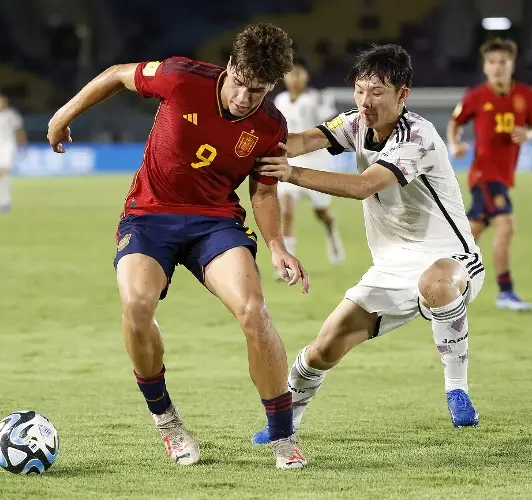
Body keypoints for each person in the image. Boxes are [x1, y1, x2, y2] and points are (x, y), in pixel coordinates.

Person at [47, 23, 309, 469]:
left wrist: (277, 246)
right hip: (150, 216)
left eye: (258, 90)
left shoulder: (270, 126)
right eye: (241, 84)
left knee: (253, 311)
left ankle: (282, 437)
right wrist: (62, 116)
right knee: (136, 305)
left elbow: (263, 192)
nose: (245, 98)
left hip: (215, 223)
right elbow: (114, 74)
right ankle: (167, 421)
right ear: (229, 67)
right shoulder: (181, 77)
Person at [251, 44, 485, 445]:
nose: (366, 101)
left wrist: (290, 173)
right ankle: (285, 423)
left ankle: (456, 389)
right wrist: (249, 143)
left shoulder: (419, 135)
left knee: (435, 283)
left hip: (451, 258)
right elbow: (306, 139)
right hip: (391, 268)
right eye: (360, 90)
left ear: (402, 95)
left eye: (377, 92)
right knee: (321, 349)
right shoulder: (356, 123)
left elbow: (362, 186)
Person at [447, 38, 532, 311]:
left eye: (503, 62)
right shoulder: (476, 97)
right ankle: (505, 292)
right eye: (492, 62)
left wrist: (528, 134)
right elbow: (456, 121)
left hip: (503, 175)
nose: (497, 67)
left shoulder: (526, 95)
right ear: (485, 67)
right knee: (506, 226)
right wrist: (455, 144)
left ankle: (440, 279)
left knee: (468, 234)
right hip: (485, 175)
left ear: (512, 64)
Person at [273, 57, 344, 272]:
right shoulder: (281, 100)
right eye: (290, 74)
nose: (293, 78)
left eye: (298, 73)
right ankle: (286, 263)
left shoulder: (316, 98)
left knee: (321, 212)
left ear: (306, 76)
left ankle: (331, 232)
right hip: (290, 159)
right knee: (286, 209)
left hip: (316, 161)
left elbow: (332, 122)